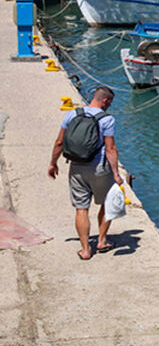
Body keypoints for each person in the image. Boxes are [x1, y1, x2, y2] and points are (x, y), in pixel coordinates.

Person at [48, 87, 122, 260]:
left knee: (81, 208)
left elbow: (59, 142)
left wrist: (53, 163)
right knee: (106, 204)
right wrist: (116, 173)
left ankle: (85, 250)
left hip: (76, 166)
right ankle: (102, 241)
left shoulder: (72, 114)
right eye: (110, 102)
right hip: (100, 168)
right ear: (105, 101)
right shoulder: (107, 119)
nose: (110, 105)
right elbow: (110, 149)